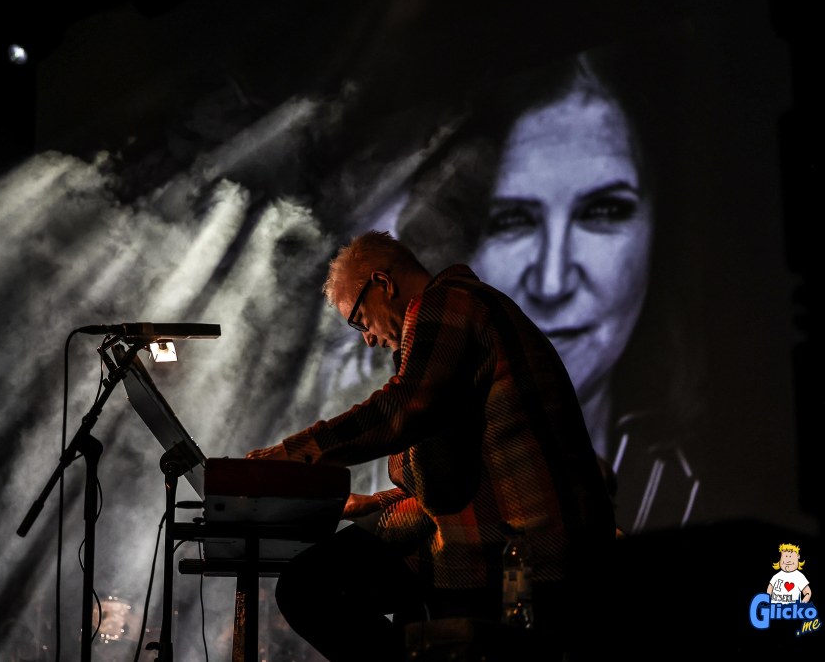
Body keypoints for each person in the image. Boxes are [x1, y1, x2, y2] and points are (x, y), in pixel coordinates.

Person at [247, 230, 615, 661]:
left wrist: (294, 454)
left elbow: (404, 408)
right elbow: (454, 471)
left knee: (308, 587)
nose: (367, 338)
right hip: (505, 536)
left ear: (383, 283)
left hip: (520, 547)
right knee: (356, 594)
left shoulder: (449, 302)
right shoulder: (465, 316)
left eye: (360, 320)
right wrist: (378, 503)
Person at [395, 42, 707, 535]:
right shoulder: (405, 478)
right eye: (509, 220)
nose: (552, 282)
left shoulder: (708, 496)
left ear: (658, 230)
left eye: (602, 211)